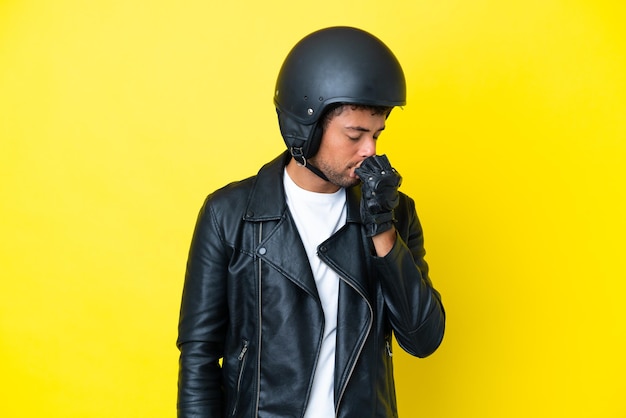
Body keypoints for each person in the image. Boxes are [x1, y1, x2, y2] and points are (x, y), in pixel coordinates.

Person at [176, 26, 445, 418]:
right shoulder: (228, 215)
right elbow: (199, 356)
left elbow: (423, 339)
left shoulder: (396, 214)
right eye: (355, 135)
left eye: (376, 134)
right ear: (305, 127)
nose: (370, 151)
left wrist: (382, 228)